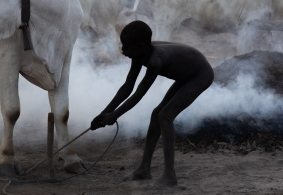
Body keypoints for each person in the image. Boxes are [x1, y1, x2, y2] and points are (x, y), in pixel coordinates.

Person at [90, 20, 214, 187]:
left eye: (126, 46)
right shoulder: (140, 53)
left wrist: (114, 116)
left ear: (140, 46)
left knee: (165, 116)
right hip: (187, 75)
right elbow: (127, 88)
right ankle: (144, 169)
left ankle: (170, 176)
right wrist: (104, 113)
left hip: (201, 75)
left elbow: (138, 94)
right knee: (157, 114)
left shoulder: (156, 60)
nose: (123, 51)